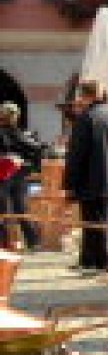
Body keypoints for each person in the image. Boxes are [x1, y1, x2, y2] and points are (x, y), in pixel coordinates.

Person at [63, 80, 108, 274]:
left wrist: (70, 183)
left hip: (89, 177)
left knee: (92, 220)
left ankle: (100, 261)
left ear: (85, 96)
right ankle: (88, 259)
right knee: (99, 218)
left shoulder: (85, 118)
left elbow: (77, 153)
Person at [0, 102, 42, 250]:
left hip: (5, 175)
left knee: (4, 211)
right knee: (20, 210)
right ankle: (33, 242)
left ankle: (5, 244)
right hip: (17, 174)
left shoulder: (15, 133)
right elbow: (37, 149)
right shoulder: (21, 134)